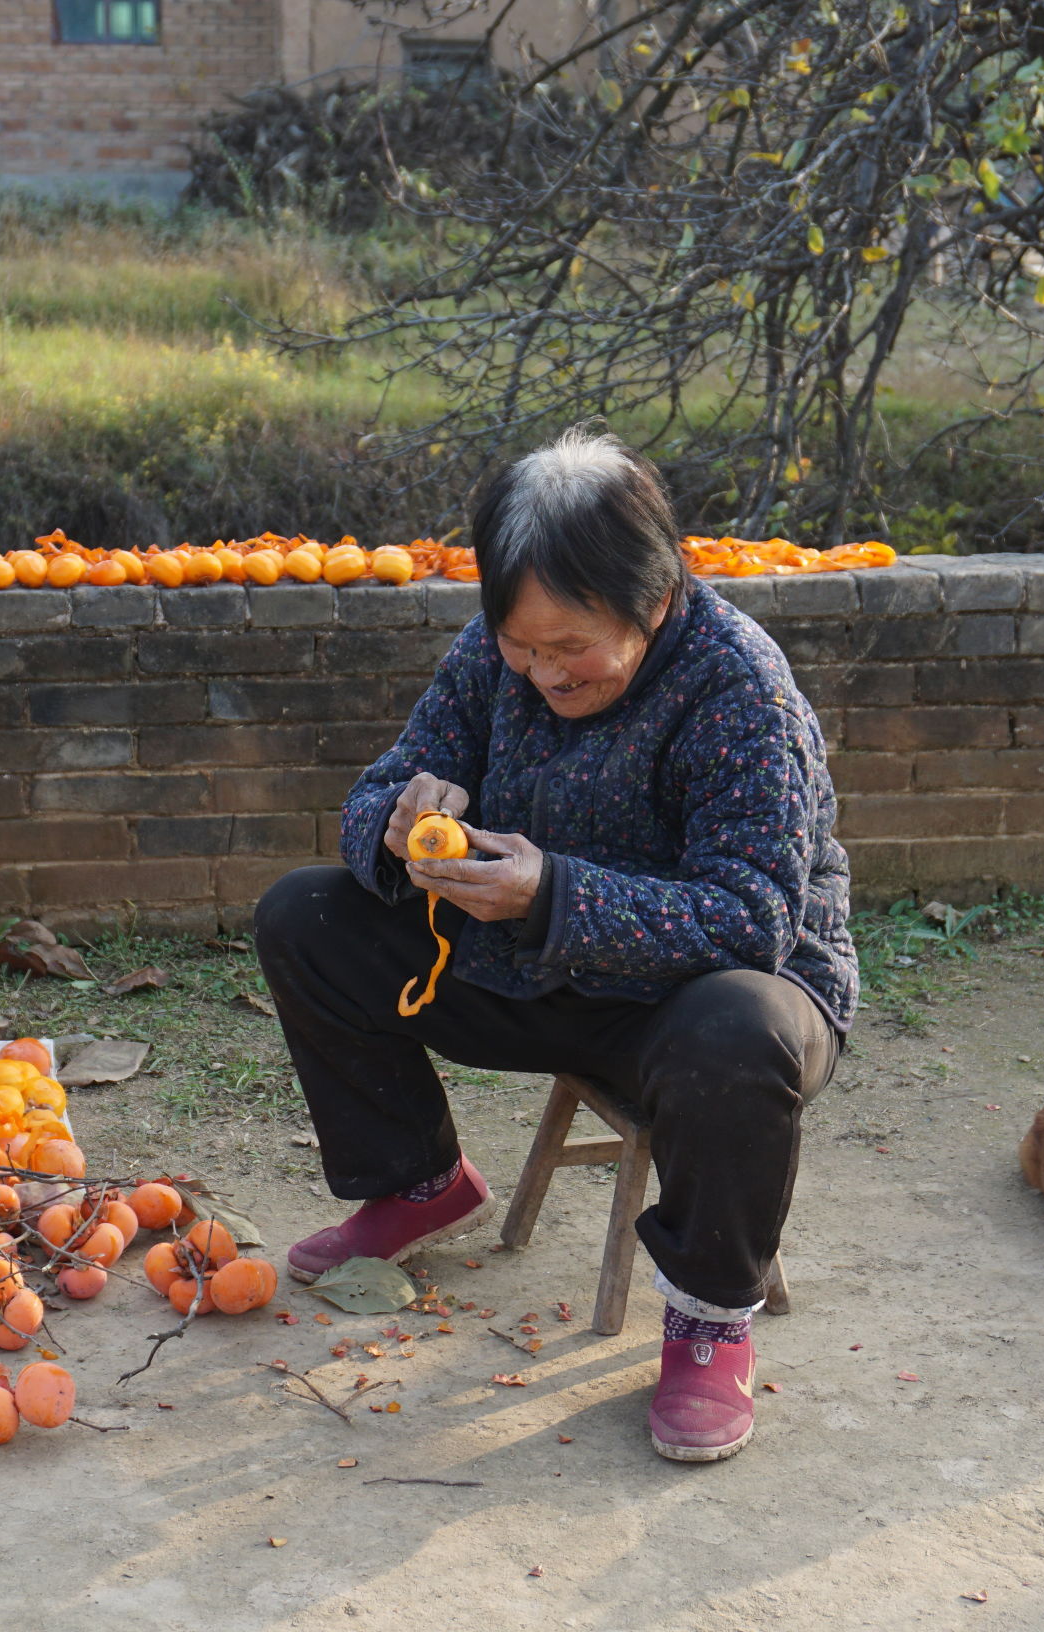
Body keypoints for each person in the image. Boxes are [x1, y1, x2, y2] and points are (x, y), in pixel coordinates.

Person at [253, 428, 857, 1462]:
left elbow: (751, 916)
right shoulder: (493, 658)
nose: (542, 673)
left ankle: (711, 1320)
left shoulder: (739, 690)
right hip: (524, 966)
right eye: (521, 646)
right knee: (306, 917)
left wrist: (552, 892)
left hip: (688, 1005)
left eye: (572, 647)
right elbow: (373, 791)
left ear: (655, 601)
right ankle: (416, 1180)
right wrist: (396, 828)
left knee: (741, 1029)